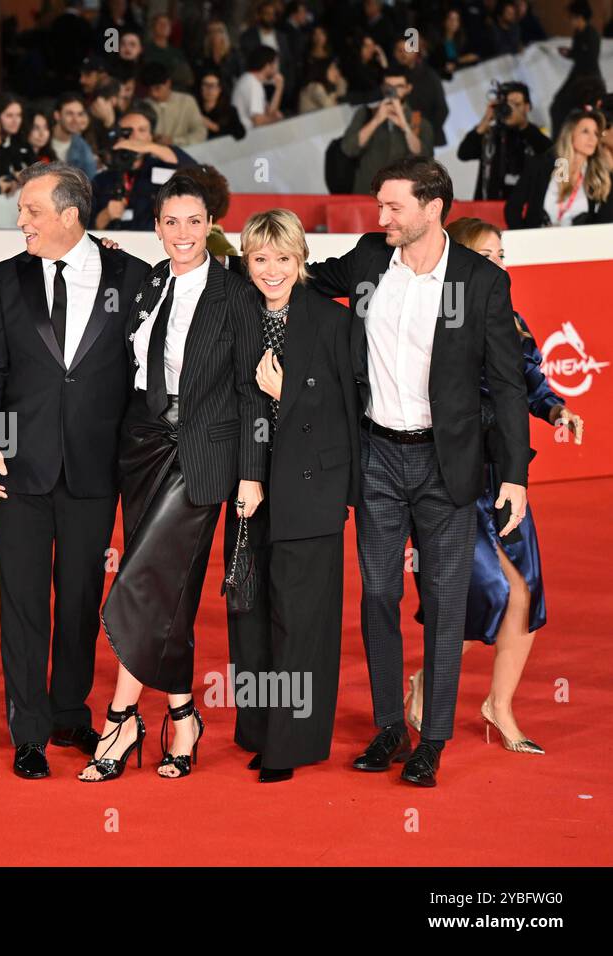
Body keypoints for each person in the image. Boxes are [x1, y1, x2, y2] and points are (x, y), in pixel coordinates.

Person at [308, 157, 530, 788]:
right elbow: (302, 278)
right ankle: (386, 727)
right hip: (375, 456)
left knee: (442, 603)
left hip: (446, 464)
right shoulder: (370, 259)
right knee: (378, 593)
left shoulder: (478, 283)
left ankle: (432, 739)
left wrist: (512, 474)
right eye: (380, 207)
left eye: (393, 208)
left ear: (433, 208)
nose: (381, 218)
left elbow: (509, 385)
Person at [78, 174, 268, 782]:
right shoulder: (149, 281)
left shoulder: (235, 293)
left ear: (211, 223)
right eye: (170, 222)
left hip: (200, 455)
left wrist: (251, 473)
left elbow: (250, 391)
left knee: (143, 580)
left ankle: (120, 716)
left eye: (193, 221)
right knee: (170, 586)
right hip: (140, 444)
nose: (182, 234)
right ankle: (182, 713)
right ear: (156, 226)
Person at [0, 162, 150, 779]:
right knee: (22, 599)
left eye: (31, 211)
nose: (20, 221)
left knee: (80, 597)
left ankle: (69, 708)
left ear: (70, 215)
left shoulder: (132, 275)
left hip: (96, 468)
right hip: (18, 467)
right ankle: (28, 729)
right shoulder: (5, 281)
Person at [404, 217, 586, 755]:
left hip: (505, 477)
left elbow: (530, 383)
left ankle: (498, 706)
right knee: (478, 591)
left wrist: (556, 409)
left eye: (502, 254)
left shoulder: (513, 319)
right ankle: (422, 682)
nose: (499, 264)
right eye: (486, 255)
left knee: (524, 594)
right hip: (447, 477)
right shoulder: (427, 317)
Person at [225, 209, 358, 783]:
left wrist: (287, 397)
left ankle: (290, 742)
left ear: (301, 260)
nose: (271, 270)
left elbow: (351, 414)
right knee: (250, 617)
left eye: (283, 258)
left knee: (300, 623)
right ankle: (259, 728)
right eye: (260, 258)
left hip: (310, 489)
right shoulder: (237, 313)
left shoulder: (331, 322)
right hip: (251, 488)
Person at [506, 108, 612, 228]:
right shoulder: (542, 166)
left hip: (578, 244)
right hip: (538, 242)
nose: (592, 139)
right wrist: (525, 238)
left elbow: (605, 221)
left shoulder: (599, 174)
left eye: (596, 133)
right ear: (570, 134)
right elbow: (513, 209)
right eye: (585, 131)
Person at [339, 64, 434, 196]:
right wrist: (376, 120)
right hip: (366, 194)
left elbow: (424, 159)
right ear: (383, 87)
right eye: (388, 87)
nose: (392, 92)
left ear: (408, 88)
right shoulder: (365, 113)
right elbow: (348, 148)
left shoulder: (420, 122)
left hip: (402, 198)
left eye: (398, 87)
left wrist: (405, 126)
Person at [90, 104, 186, 230]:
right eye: (128, 131)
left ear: (151, 136)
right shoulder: (101, 179)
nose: (134, 136)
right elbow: (83, 232)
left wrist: (148, 146)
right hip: (113, 245)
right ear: (118, 135)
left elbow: (196, 171)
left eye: (142, 130)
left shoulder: (165, 171)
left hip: (154, 245)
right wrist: (106, 215)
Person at [458, 82, 551, 202]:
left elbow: (553, 156)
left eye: (517, 105)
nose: (511, 109)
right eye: (508, 105)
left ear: (527, 107)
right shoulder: (491, 135)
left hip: (523, 208)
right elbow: (463, 153)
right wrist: (486, 120)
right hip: (489, 207)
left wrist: (524, 125)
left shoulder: (533, 134)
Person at [139, 61, 208, 148]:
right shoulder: (143, 105)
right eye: (150, 90)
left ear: (168, 83)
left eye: (157, 88)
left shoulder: (187, 101)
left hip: (184, 152)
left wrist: (174, 141)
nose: (154, 94)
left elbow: (200, 132)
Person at [231, 46, 285, 132]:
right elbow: (258, 121)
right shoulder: (253, 85)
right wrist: (276, 119)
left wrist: (279, 88)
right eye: (275, 63)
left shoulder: (250, 80)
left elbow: (270, 113)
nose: (277, 68)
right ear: (267, 66)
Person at [197, 69, 245, 140]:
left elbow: (240, 133)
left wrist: (215, 127)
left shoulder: (230, 111)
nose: (209, 90)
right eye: (205, 85)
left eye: (213, 86)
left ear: (219, 89)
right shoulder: (194, 108)